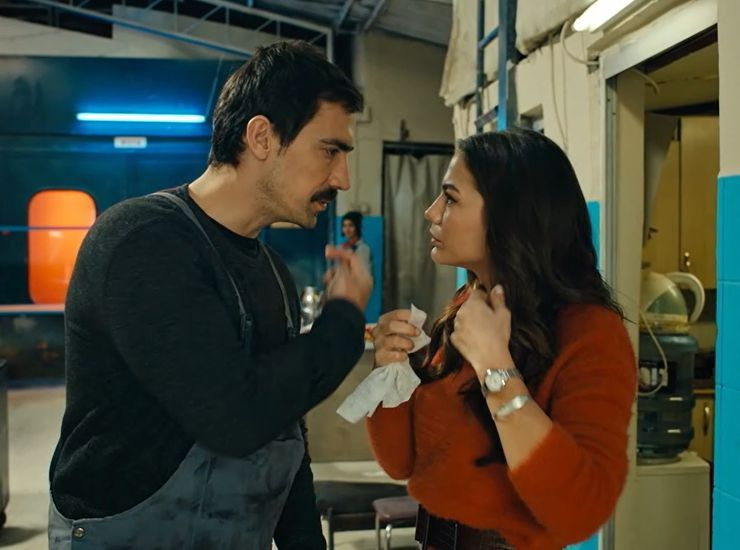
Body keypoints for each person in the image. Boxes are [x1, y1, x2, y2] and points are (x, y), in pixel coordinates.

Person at [48, 41, 372, 550]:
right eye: (330, 150)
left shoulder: (272, 272)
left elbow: (282, 428)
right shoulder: (144, 241)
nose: (342, 179)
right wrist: (344, 319)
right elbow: (236, 416)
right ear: (261, 137)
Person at [367, 129, 636, 550]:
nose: (431, 211)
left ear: (508, 216)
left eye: (450, 198)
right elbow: (401, 462)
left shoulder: (590, 333)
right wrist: (389, 371)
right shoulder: (465, 308)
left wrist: (495, 369)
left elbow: (581, 509)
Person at [340, 210, 372, 275]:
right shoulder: (343, 247)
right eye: (344, 226)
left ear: (357, 227)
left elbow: (364, 274)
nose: (347, 229)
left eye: (351, 225)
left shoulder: (363, 249)